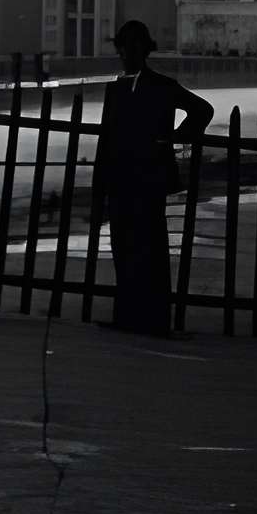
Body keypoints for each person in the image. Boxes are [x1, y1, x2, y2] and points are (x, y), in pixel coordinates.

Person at [95, 19, 215, 333]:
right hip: (131, 176)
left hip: (140, 177)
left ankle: (147, 316)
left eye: (132, 48)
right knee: (128, 246)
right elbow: (107, 139)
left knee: (143, 247)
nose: (127, 54)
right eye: (125, 48)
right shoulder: (127, 88)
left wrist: (173, 138)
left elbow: (202, 110)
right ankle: (136, 315)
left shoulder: (154, 86)